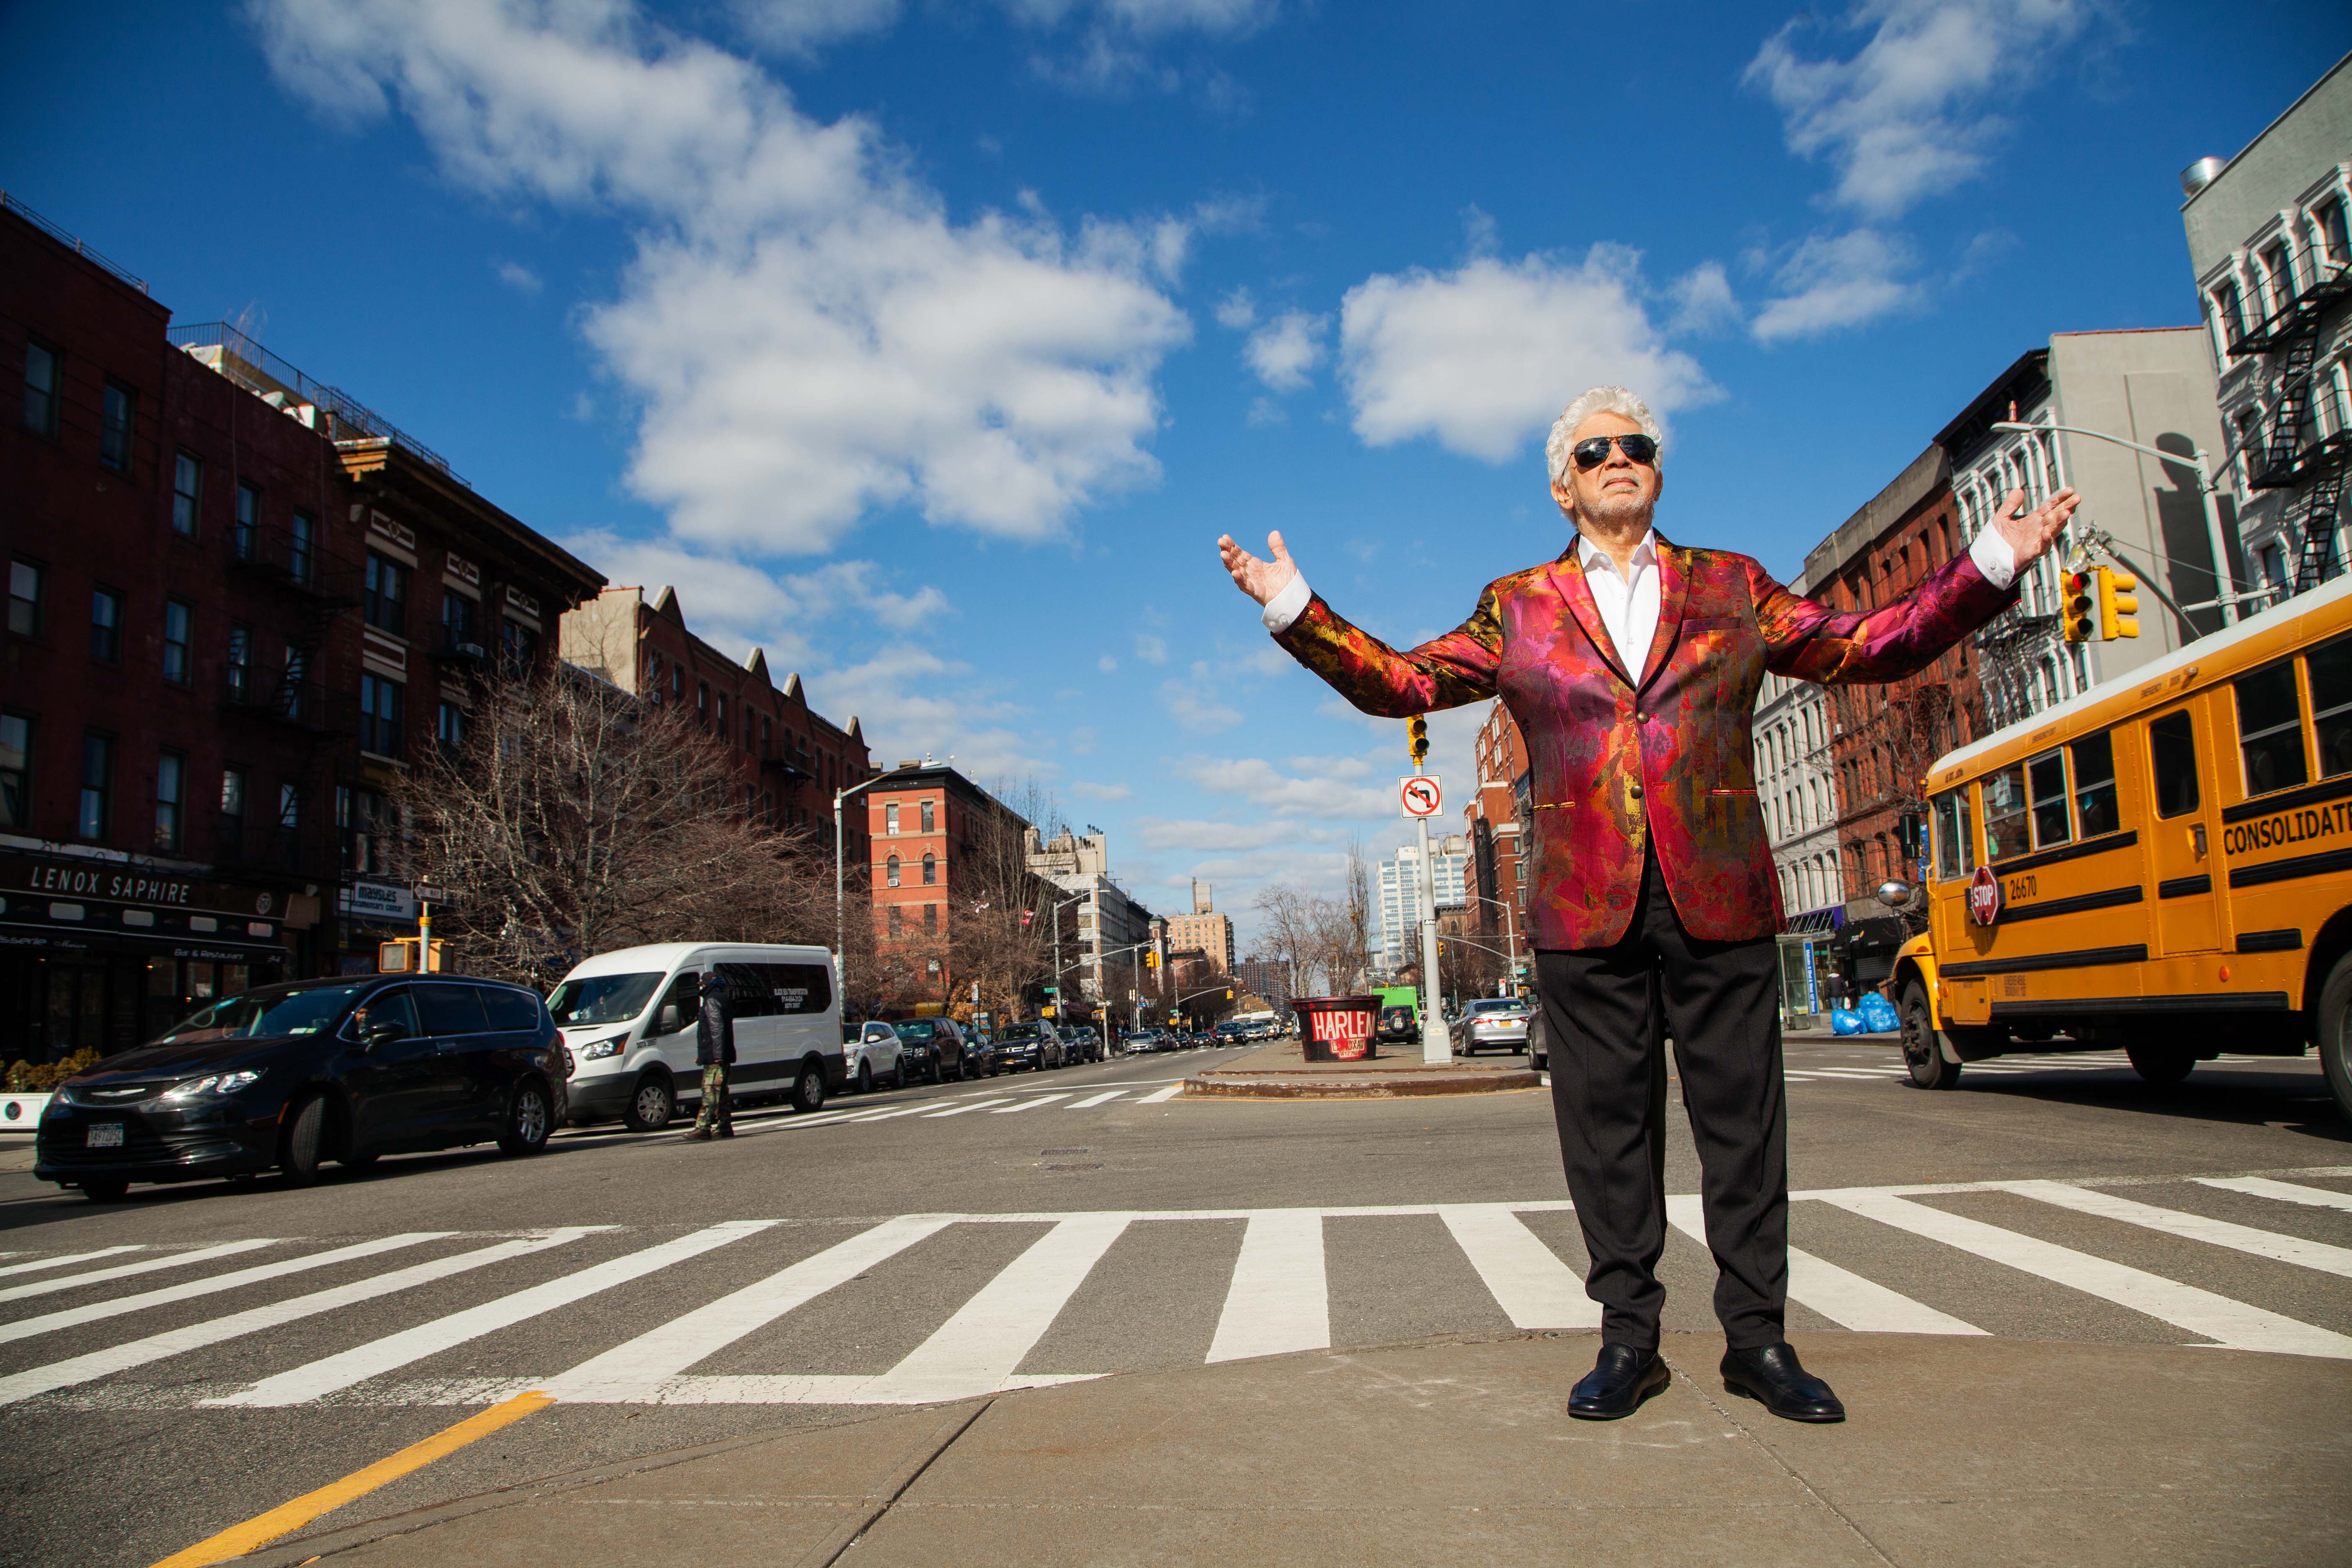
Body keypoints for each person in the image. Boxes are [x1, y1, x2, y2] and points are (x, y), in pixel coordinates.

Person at [1218, 384, 2074, 1423]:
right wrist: (1296, 608)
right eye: (1593, 450)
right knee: (1607, 1134)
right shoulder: (1519, 603)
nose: (1616, 457)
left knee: (1743, 1132)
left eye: (1635, 444)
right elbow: (1400, 682)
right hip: (1587, 908)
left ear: (1657, 471)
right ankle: (1630, 1339)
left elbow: (1865, 644)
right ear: (1563, 486)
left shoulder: (1732, 584)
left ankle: (1758, 1340)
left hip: (1719, 890)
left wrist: (1985, 566)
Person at [688, 970, 735, 1142]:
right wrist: (702, 1056)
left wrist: (716, 1055)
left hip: (717, 1057)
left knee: (710, 1091)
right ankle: (725, 1126)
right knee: (721, 1093)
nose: (701, 987)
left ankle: (703, 1127)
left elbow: (716, 1028)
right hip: (722, 1054)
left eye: (702, 984)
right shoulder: (722, 997)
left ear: (707, 985)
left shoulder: (712, 1000)